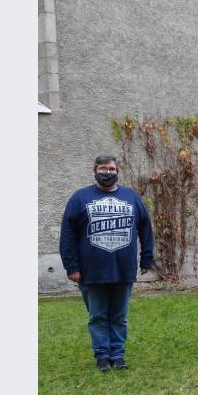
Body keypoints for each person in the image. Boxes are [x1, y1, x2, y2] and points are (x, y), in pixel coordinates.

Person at [60, 155, 155, 372]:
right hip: (90, 271)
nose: (108, 172)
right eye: (103, 168)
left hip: (123, 269)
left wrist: (147, 258)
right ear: (95, 170)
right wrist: (71, 266)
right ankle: (102, 356)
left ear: (117, 171)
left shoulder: (131, 197)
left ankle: (118, 355)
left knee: (120, 316)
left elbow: (145, 228)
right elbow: (68, 234)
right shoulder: (80, 198)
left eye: (111, 169)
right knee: (98, 316)